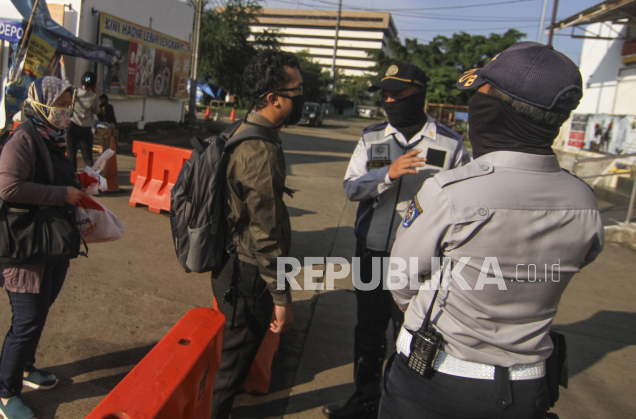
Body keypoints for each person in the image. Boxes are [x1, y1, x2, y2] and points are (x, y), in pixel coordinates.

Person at [379, 42, 604, 419]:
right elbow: (582, 258)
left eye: (478, 97)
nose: (472, 109)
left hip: (435, 382)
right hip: (527, 386)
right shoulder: (584, 201)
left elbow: (401, 279)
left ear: (496, 109)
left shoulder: (451, 192)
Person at [324, 62, 469, 419]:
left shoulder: (450, 145)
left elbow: (465, 202)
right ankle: (364, 400)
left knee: (410, 333)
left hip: (420, 263)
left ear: (418, 93)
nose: (389, 99)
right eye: (385, 93)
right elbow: (351, 187)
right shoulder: (372, 138)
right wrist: (386, 174)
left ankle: (400, 408)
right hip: (372, 253)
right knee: (369, 331)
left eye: (397, 93)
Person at [210, 49, 303, 419]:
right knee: (229, 370)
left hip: (233, 262)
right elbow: (264, 234)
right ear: (273, 98)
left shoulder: (242, 128)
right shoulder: (259, 150)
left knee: (232, 356)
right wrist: (282, 296)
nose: (300, 98)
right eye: (295, 91)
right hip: (249, 275)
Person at [0, 76, 86, 419]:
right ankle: (4, 394)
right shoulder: (24, 139)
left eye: (65, 104)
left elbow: (52, 177)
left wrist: (80, 182)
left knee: (41, 310)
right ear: (40, 103)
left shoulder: (54, 137)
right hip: (26, 247)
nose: (63, 111)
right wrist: (62, 195)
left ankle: (27, 369)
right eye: (57, 104)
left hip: (52, 244)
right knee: (26, 320)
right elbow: (9, 188)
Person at [60, 56, 100, 170]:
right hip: (85, 130)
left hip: (72, 127)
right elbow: (97, 111)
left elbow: (65, 80)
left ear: (82, 82)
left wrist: (63, 65)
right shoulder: (94, 98)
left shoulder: (74, 92)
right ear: (93, 86)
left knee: (71, 155)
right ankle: (91, 181)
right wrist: (97, 94)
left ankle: (72, 179)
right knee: (87, 157)